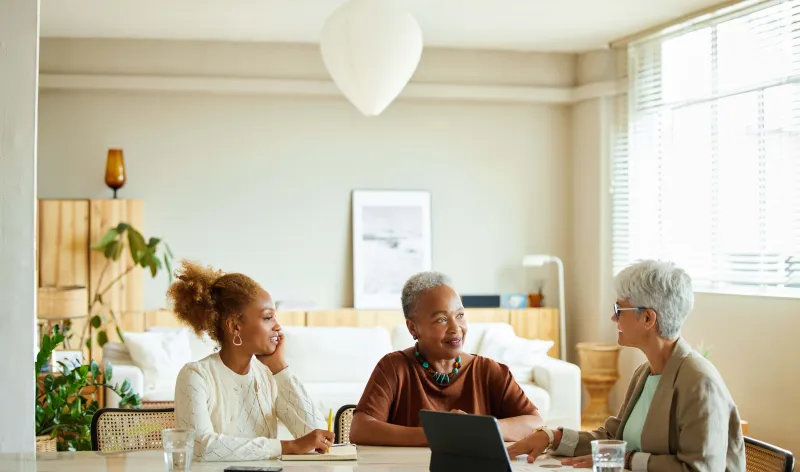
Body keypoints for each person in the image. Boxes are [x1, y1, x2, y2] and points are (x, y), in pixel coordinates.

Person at [508, 260, 745, 471]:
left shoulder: (700, 381)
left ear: (648, 319)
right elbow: (612, 437)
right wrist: (554, 437)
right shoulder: (645, 373)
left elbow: (699, 468)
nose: (614, 318)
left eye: (619, 309)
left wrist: (627, 460)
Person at [349, 271, 543, 446]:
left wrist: (477, 429)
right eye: (441, 319)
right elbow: (360, 429)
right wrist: (438, 434)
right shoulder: (394, 367)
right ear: (413, 328)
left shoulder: (490, 371)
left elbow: (535, 423)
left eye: (460, 315)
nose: (456, 328)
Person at [169, 260, 334, 461]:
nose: (278, 326)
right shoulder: (195, 376)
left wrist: (280, 369)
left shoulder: (269, 375)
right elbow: (202, 446)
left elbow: (317, 437)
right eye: (267, 318)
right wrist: (288, 447)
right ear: (235, 326)